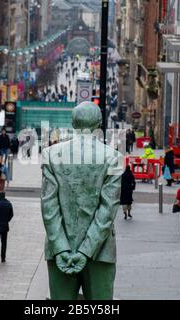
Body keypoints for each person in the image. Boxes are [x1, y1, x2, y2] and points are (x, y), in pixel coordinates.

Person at [41, 101, 123, 300]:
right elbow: (107, 211)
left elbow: (49, 206)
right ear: (99, 124)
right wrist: (86, 251)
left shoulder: (51, 155)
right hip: (100, 251)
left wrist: (60, 247)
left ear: (73, 123)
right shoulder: (113, 157)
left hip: (60, 249)